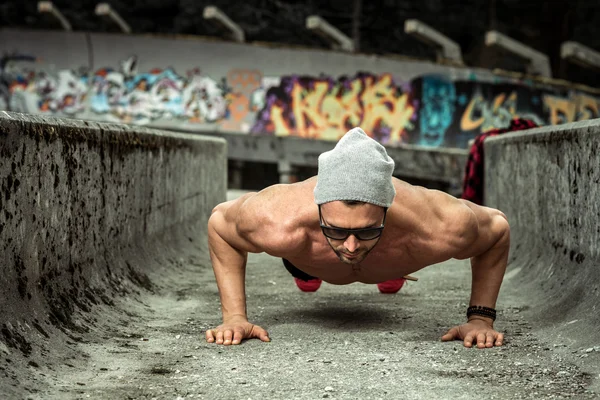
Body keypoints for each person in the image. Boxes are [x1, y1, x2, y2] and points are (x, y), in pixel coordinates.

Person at [206, 127, 509, 349]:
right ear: (318, 208)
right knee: (307, 262)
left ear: (387, 212)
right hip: (308, 259)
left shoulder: (439, 224)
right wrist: (234, 317)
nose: (350, 246)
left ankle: (390, 269)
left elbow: (497, 229)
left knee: (384, 256)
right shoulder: (278, 220)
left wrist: (480, 319)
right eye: (336, 230)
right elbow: (220, 223)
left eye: (365, 230)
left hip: (393, 253)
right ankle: (312, 269)